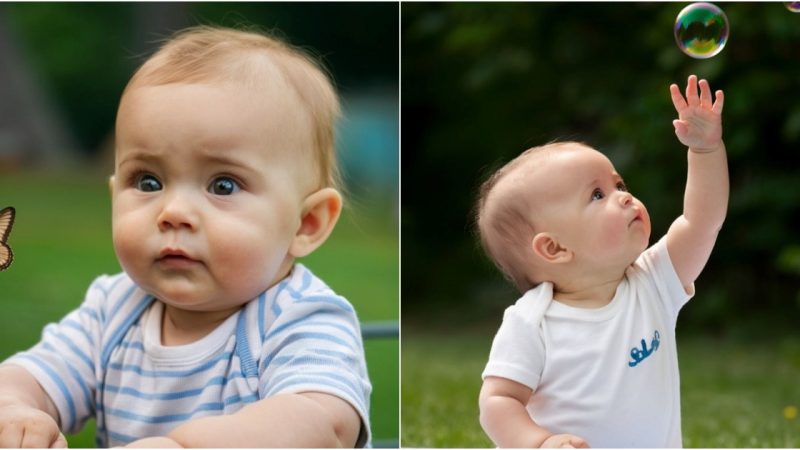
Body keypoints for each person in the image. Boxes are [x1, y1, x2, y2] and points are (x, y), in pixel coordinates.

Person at [0, 26, 371, 448]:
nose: (173, 212)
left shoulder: (299, 317)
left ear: (307, 224)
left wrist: (183, 446)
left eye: (223, 185)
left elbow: (323, 422)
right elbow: (29, 375)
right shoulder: (113, 311)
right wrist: (16, 410)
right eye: (148, 181)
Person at [475, 75, 727, 448]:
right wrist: (539, 442)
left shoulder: (653, 282)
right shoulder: (532, 323)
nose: (623, 197)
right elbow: (498, 401)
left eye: (619, 185)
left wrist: (705, 151)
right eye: (597, 195)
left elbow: (701, 222)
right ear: (554, 249)